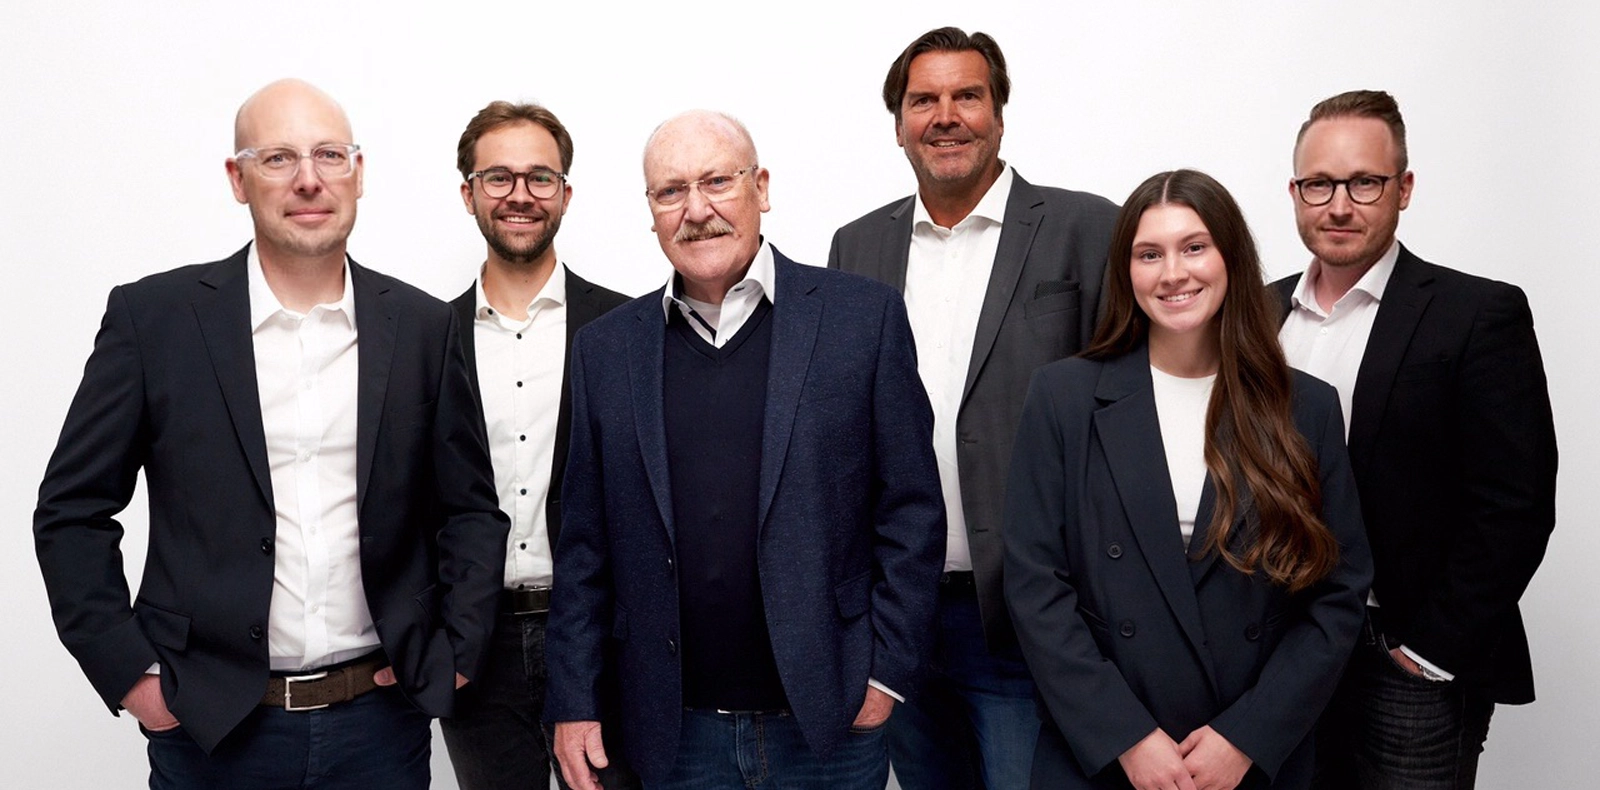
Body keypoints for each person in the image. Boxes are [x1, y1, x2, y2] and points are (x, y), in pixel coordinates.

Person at [32, 79, 509, 789]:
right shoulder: (154, 321)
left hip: (380, 729)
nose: (309, 180)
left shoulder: (423, 328)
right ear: (238, 178)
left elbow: (470, 510)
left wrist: (457, 654)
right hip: (213, 732)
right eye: (279, 158)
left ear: (358, 171)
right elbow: (71, 511)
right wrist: (131, 674)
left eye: (329, 155)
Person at [544, 110, 946, 790]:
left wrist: (885, 675)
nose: (696, 209)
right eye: (671, 191)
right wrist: (576, 700)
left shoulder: (861, 319)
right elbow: (585, 547)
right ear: (651, 212)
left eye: (716, 182)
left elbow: (912, 508)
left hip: (830, 725)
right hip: (674, 735)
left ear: (760, 187)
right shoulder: (605, 350)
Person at [1004, 169, 1373, 789]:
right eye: (1149, 254)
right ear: (1126, 272)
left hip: (1248, 754)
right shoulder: (1062, 396)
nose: (1173, 273)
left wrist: (1246, 737)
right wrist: (1126, 737)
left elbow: (1338, 594)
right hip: (1103, 751)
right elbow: (1035, 584)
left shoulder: (1305, 406)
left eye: (1194, 247)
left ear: (1231, 257)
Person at [828, 27, 1118, 788]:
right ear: (898, 125)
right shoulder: (856, 248)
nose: (946, 116)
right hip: (901, 619)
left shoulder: (1088, 229)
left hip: (1034, 617)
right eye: (924, 100)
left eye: (968, 96)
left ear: (999, 115)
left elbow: (1129, 417)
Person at [1276, 90, 1558, 790]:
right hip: (1277, 651)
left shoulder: (1477, 313)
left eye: (1364, 183)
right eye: (1319, 184)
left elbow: (1516, 502)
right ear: (1295, 192)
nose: (1339, 206)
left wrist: (1430, 651)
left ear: (1403, 189)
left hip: (1402, 659)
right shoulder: (1254, 312)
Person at [441, 100, 637, 790]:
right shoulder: (427, 339)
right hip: (477, 647)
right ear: (468, 193)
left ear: (566, 194)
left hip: (605, 637)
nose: (520, 194)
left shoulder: (627, 329)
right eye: (498, 177)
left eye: (540, 177)